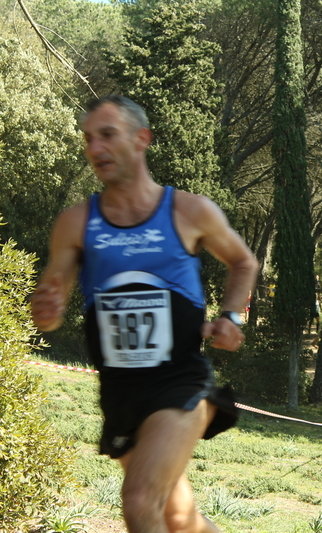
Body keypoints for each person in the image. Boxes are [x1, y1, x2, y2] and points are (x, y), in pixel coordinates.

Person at [30, 95, 258, 533]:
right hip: (119, 391)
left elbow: (244, 261)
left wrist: (232, 317)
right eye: (88, 139)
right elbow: (50, 313)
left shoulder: (189, 211)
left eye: (107, 135)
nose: (94, 148)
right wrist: (47, 310)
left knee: (138, 502)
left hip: (180, 382)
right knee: (177, 516)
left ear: (141, 140)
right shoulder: (76, 222)